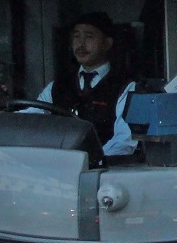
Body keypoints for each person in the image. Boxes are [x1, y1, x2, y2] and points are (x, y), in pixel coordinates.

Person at [34, 12, 137, 162]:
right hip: (58, 167)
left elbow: (125, 140)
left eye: (89, 36)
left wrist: (91, 162)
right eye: (76, 36)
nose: (81, 44)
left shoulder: (126, 87)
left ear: (107, 43)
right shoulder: (57, 87)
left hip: (104, 171)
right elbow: (32, 117)